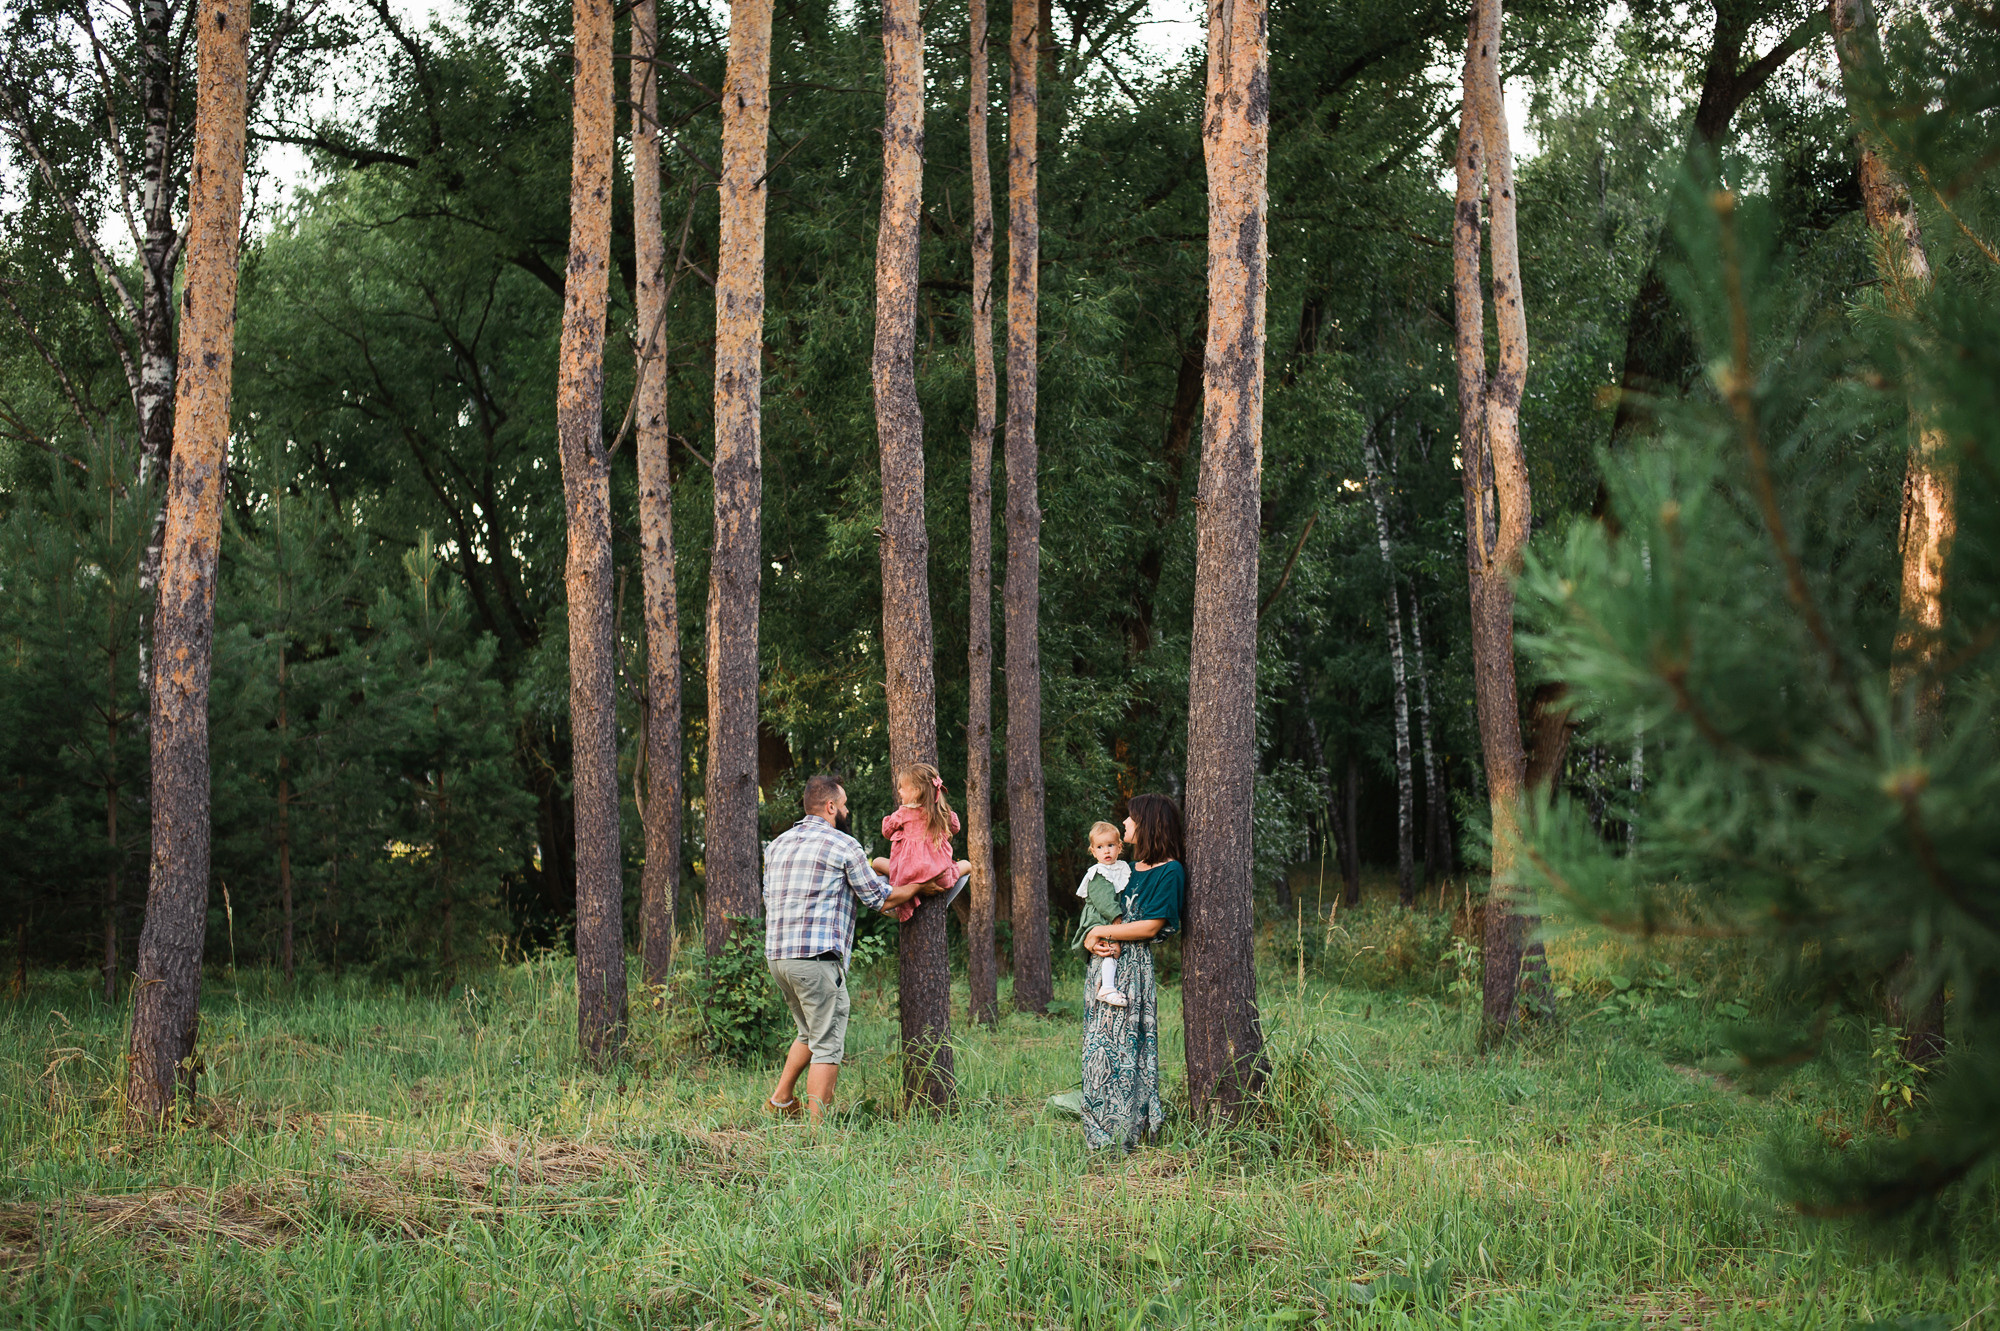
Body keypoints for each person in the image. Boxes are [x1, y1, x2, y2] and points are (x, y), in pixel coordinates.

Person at [763, 774, 921, 1123]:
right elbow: (880, 900)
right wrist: (920, 883)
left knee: (809, 1032)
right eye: (844, 804)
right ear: (831, 806)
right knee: (827, 1043)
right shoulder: (842, 845)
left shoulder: (777, 844)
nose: (846, 810)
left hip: (779, 958)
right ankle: (818, 1134)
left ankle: (780, 1100)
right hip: (816, 960)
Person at [1079, 792, 1185, 1152]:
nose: (1124, 824)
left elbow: (1150, 926)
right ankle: (1098, 1133)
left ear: (1148, 823)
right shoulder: (1127, 870)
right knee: (1098, 1050)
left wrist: (1101, 933)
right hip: (1104, 966)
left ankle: (1128, 1131)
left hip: (1134, 970)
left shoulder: (1170, 871)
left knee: (1129, 1051)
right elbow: (1100, 912)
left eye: (1130, 818)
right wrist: (1091, 939)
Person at [870, 761, 974, 920]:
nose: (899, 791)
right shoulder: (943, 813)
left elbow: (886, 831)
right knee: (967, 865)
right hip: (939, 877)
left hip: (907, 876)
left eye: (902, 788)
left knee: (877, 862)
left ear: (916, 791)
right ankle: (945, 901)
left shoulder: (903, 813)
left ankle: (893, 904)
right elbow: (956, 828)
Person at [1070, 821, 1131, 1007]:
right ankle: (1107, 987)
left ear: (1119, 847)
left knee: (1113, 947)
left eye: (1111, 845)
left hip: (1106, 917)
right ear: (1093, 851)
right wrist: (1117, 919)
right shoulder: (1098, 872)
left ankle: (1109, 984)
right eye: (1100, 847)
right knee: (1112, 948)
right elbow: (1104, 901)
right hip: (1098, 918)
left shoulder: (1121, 868)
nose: (1106, 851)